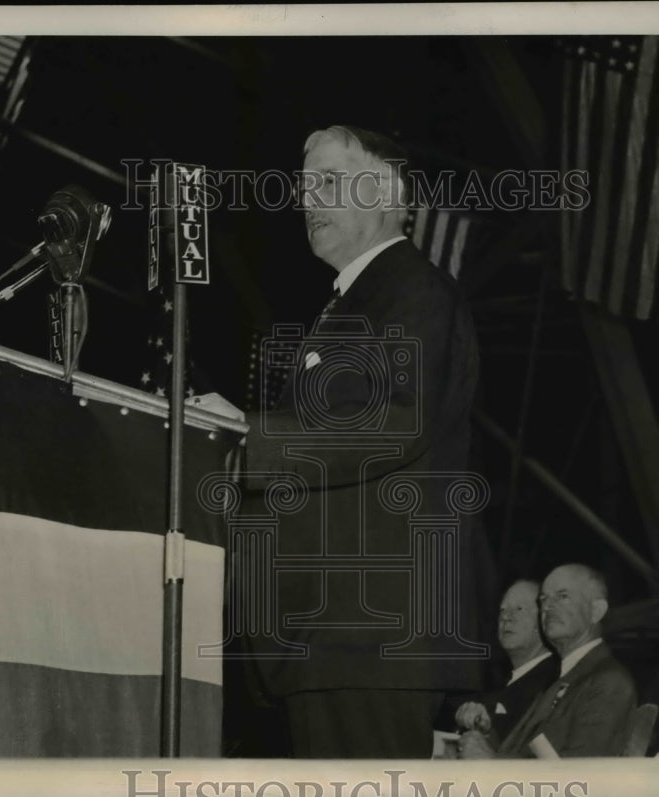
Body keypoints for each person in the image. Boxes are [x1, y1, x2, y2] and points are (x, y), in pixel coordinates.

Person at [202, 125, 485, 758]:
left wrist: (246, 434)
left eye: (329, 182)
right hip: (329, 642)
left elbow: (393, 421)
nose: (308, 199)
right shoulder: (353, 302)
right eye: (305, 186)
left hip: (366, 639)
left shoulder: (413, 292)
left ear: (387, 192)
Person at [458, 564, 637, 759]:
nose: (548, 606)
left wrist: (490, 763)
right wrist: (485, 734)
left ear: (596, 610)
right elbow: (522, 754)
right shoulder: (562, 680)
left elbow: (583, 779)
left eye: (562, 596)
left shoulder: (609, 682)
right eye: (543, 599)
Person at [447, 579, 558, 743]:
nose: (506, 617)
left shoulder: (552, 682)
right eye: (502, 610)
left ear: (544, 618)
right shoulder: (504, 683)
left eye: (519, 609)